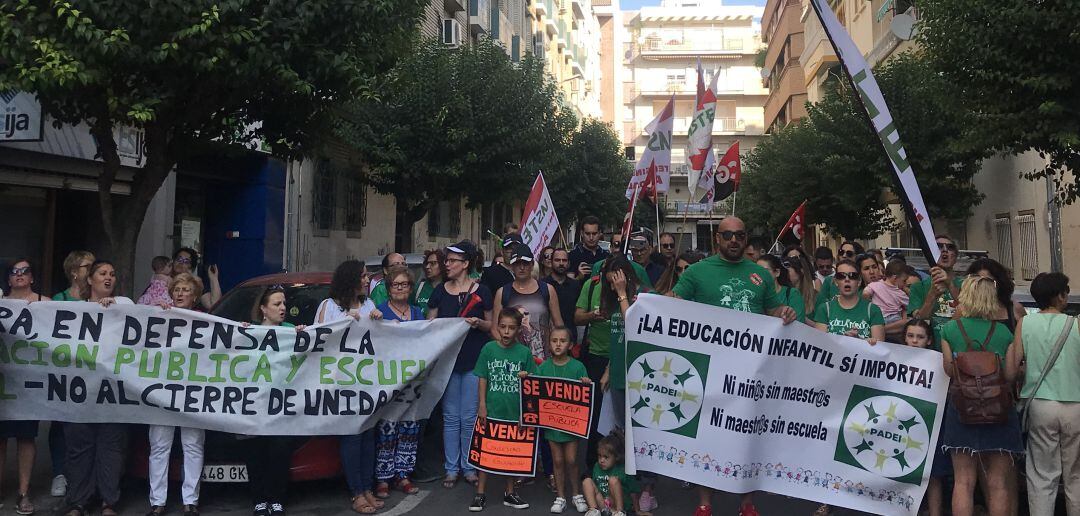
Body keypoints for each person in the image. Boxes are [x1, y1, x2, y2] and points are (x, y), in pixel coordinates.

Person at [670, 216, 798, 516]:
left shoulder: (760, 275)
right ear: (717, 238)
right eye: (728, 235)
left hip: (749, 373)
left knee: (746, 435)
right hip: (709, 372)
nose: (734, 241)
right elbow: (673, 303)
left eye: (740, 235)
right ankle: (705, 503)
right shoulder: (699, 272)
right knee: (707, 435)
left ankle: (747, 503)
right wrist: (646, 305)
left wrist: (786, 311)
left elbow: (773, 309)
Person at [940, 275, 1022, 516]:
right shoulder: (1004, 333)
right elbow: (1009, 375)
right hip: (998, 409)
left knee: (963, 481)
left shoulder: (949, 329)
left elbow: (948, 369)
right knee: (998, 483)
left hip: (962, 407)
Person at [1006, 272, 1080, 516]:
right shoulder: (1076, 323)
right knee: (1075, 474)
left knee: (1041, 474)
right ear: (1059, 296)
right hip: (1074, 403)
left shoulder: (1025, 324)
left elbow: (1012, 369)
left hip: (1039, 404)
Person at [63, 260, 131, 516]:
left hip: (112, 392)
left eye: (112, 274)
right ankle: (78, 501)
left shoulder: (125, 304)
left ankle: (108, 501)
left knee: (111, 447)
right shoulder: (73, 310)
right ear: (89, 279)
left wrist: (115, 307)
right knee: (80, 447)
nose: (108, 278)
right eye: (102, 273)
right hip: (79, 391)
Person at [314, 260, 382, 514]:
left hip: (366, 382)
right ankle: (356, 492)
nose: (367, 281)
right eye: (363, 276)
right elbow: (318, 337)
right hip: (340, 384)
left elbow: (380, 341)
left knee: (367, 434)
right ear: (350, 279)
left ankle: (367, 488)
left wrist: (377, 320)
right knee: (352, 436)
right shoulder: (328, 307)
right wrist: (344, 319)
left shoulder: (369, 305)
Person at [428, 241, 493, 489]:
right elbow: (429, 325)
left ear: (465, 264)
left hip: (473, 360)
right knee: (450, 417)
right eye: (446, 261)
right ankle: (451, 468)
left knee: (469, 417)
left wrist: (478, 323)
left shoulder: (482, 291)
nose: (447, 265)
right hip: (448, 364)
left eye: (452, 261)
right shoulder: (440, 291)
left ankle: (469, 466)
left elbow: (491, 326)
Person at [146, 273, 207, 516]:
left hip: (193, 392)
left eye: (186, 290)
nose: (180, 293)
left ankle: (190, 500)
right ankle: (157, 501)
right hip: (163, 391)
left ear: (195, 297)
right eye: (177, 289)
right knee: (160, 445)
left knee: (192, 445)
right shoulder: (160, 316)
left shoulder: (205, 320)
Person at [244, 287, 305, 516]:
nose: (282, 308)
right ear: (263, 309)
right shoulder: (250, 332)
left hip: (282, 404)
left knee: (279, 451)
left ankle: (276, 498)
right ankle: (259, 500)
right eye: (277, 304)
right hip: (255, 404)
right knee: (256, 452)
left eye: (284, 304)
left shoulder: (290, 331)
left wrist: (303, 335)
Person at [469, 309, 535, 511]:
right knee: (485, 452)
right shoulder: (489, 349)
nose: (506, 332)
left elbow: (532, 383)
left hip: (514, 412)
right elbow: (483, 377)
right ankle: (480, 494)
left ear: (518, 329)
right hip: (492, 409)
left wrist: (525, 411)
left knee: (511, 455)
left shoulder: (524, 352)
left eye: (511, 328)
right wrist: (482, 405)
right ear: (497, 326)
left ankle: (510, 492)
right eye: (503, 327)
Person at [520, 326, 591, 514]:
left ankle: (576, 494)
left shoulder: (578, 367)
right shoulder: (543, 367)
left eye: (562, 341)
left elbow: (585, 393)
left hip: (572, 424)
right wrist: (526, 378)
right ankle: (560, 496)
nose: (558, 344)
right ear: (549, 344)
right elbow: (533, 389)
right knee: (557, 461)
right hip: (552, 424)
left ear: (570, 345)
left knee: (572, 459)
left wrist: (585, 383)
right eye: (554, 341)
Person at [370, 266, 425, 500]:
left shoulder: (418, 313)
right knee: (386, 429)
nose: (401, 288)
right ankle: (383, 477)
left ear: (411, 288)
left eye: (405, 284)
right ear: (389, 289)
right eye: (396, 284)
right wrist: (373, 320)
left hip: (412, 383)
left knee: (409, 429)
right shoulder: (379, 313)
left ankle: (403, 474)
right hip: (387, 382)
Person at [49, 250, 94, 498]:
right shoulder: (60, 299)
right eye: (89, 266)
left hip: (90, 373)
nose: (92, 270)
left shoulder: (99, 300)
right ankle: (59, 472)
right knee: (61, 423)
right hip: (65, 371)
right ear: (75, 272)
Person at [0, 263, 41, 515]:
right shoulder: (0, 301)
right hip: (4, 379)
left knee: (26, 436)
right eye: (14, 271)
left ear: (32, 277)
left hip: (29, 380)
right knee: (0, 438)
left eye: (25, 270)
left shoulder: (44, 303)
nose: (19, 274)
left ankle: (23, 493)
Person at [904, 319, 948, 516]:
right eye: (910, 336)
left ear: (929, 340)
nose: (914, 341)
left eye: (920, 337)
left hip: (930, 423)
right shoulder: (893, 357)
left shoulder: (939, 362)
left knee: (933, 474)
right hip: (902, 425)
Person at [494, 244, 564, 361]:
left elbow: (558, 325)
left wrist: (558, 352)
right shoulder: (502, 292)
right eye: (517, 264)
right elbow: (495, 329)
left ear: (532, 265)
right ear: (511, 267)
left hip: (543, 358)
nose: (521, 267)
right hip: (512, 358)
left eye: (525, 263)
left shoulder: (547, 289)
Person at [908, 235, 964, 348]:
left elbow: (970, 313)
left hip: (960, 348)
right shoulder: (918, 287)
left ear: (956, 256)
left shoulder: (967, 285)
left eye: (950, 247)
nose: (944, 250)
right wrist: (932, 294)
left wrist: (950, 285)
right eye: (938, 247)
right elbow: (919, 321)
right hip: (930, 351)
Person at [814, 260, 885, 344]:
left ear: (859, 281)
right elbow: (820, 345)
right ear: (836, 282)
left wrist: (858, 341)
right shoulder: (824, 309)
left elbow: (880, 349)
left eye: (852, 276)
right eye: (841, 276)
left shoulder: (873, 310)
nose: (847, 279)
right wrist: (843, 340)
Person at [581, 434, 641, 516]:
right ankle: (594, 510)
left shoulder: (623, 470)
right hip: (603, 503)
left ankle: (620, 512)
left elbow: (633, 491)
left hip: (617, 502)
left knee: (613, 480)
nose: (601, 460)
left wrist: (638, 510)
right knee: (587, 481)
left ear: (616, 457)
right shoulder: (597, 466)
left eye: (606, 457)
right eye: (599, 456)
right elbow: (595, 488)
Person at [967, 258, 1027, 332]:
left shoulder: (1015, 308)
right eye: (979, 282)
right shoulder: (965, 309)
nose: (983, 287)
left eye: (988, 282)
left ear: (999, 283)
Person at [863, 259, 911, 342]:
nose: (905, 284)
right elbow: (910, 305)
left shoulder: (875, 284)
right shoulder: (900, 293)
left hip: (878, 318)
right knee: (908, 323)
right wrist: (908, 291)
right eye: (904, 281)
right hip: (894, 319)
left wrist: (870, 302)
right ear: (895, 278)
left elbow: (865, 293)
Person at [544, 248, 582, 347]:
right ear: (551, 262)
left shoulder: (575, 285)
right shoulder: (542, 285)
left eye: (564, 260)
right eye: (557, 260)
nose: (561, 263)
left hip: (571, 339)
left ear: (568, 263)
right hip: (548, 338)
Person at [757, 255, 806, 324]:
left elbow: (799, 324)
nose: (759, 275)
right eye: (757, 272)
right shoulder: (754, 294)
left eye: (764, 271)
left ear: (777, 272)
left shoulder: (792, 294)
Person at [781, 250, 818, 324]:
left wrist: (801, 318)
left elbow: (823, 329)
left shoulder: (817, 297)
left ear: (801, 271)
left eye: (787, 271)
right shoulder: (781, 294)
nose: (784, 274)